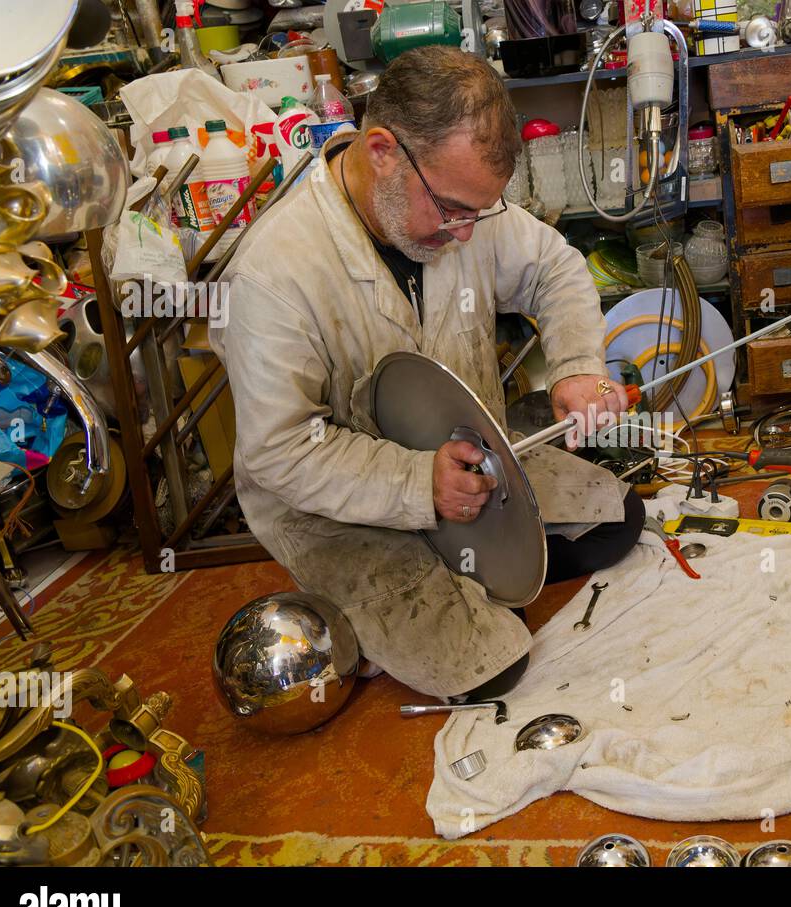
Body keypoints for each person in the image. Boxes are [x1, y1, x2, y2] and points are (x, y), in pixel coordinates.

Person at [212, 46, 644, 702]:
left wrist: (581, 369)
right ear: (381, 150)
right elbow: (279, 450)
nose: (466, 235)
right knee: (493, 668)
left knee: (620, 522)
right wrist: (418, 483)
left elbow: (555, 267)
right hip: (344, 512)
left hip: (474, 466)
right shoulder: (274, 274)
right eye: (451, 209)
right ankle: (443, 591)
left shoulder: (459, 207)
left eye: (480, 212)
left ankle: (470, 575)